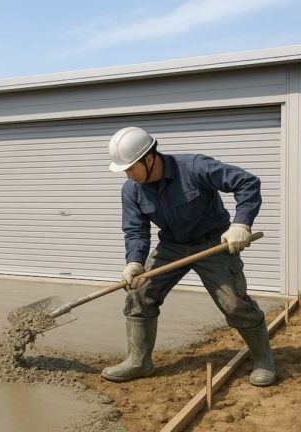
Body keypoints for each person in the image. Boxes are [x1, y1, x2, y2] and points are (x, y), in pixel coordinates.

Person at [101, 126, 276, 387]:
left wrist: (241, 224)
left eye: (131, 167)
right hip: (172, 246)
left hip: (212, 243)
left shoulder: (194, 167)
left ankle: (263, 359)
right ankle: (139, 361)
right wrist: (134, 262)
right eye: (124, 170)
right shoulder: (132, 190)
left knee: (234, 303)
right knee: (139, 293)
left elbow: (247, 182)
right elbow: (136, 230)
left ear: (150, 158)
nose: (129, 175)